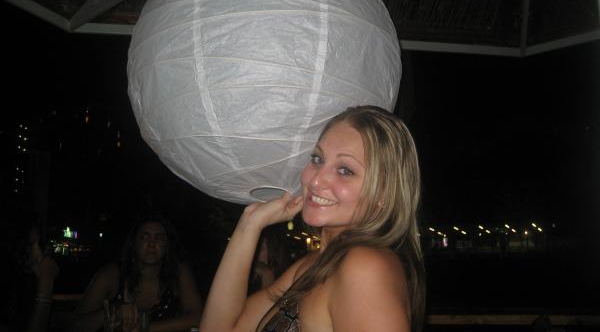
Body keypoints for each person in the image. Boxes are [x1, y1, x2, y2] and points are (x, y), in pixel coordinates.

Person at [199, 105, 426, 332]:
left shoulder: (365, 267)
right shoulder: (313, 264)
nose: (315, 180)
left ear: (383, 193)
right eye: (317, 159)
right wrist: (250, 223)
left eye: (345, 170)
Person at [68, 214, 203, 332]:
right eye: (145, 237)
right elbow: (74, 326)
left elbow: (197, 318)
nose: (151, 244)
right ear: (134, 243)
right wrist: (113, 312)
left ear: (167, 245)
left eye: (159, 238)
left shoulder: (179, 272)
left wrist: (145, 328)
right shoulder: (111, 274)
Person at [1, 222, 60, 332]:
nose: (40, 253)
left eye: (40, 244)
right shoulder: (10, 287)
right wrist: (46, 283)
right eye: (30, 244)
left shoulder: (30, 285)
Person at [248, 223, 292, 295]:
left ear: (274, 252)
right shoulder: (248, 277)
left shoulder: (288, 281)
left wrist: (267, 276)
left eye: (260, 249)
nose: (254, 255)